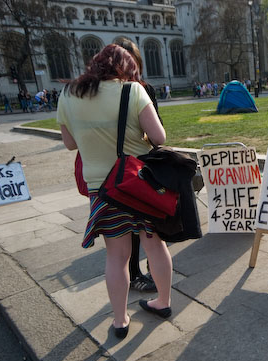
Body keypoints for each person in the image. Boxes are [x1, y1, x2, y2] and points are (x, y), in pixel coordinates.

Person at [56, 44, 173, 340]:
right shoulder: (132, 91)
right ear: (127, 66)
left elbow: (70, 144)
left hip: (103, 190)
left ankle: (120, 320)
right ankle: (163, 302)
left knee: (116, 256)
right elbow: (159, 137)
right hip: (139, 184)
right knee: (154, 246)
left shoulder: (68, 94)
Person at [114, 37, 160, 293]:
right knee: (130, 228)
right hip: (122, 167)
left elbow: (157, 132)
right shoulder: (111, 93)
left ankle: (153, 272)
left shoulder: (145, 89)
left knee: (149, 225)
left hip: (142, 164)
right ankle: (134, 273)